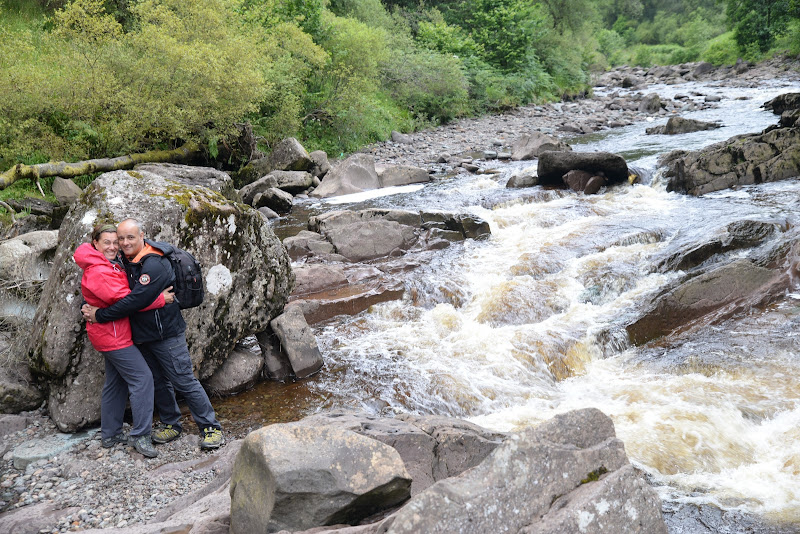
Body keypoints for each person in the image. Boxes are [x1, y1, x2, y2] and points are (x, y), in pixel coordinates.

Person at [82, 219, 225, 450]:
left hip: (166, 334)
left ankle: (211, 428)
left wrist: (101, 316)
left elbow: (135, 300)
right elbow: (103, 285)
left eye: (130, 237)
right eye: (121, 238)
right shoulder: (123, 260)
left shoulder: (154, 264)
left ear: (142, 236)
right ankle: (171, 423)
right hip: (142, 335)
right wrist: (87, 304)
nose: (125, 243)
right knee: (159, 381)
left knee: (183, 380)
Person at [74, 223, 172, 458]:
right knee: (142, 378)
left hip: (110, 333)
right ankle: (141, 435)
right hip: (113, 337)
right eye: (106, 242)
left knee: (115, 383)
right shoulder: (99, 270)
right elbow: (129, 300)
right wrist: (160, 299)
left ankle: (110, 433)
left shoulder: (105, 263)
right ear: (95, 243)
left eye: (115, 242)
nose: (112, 246)